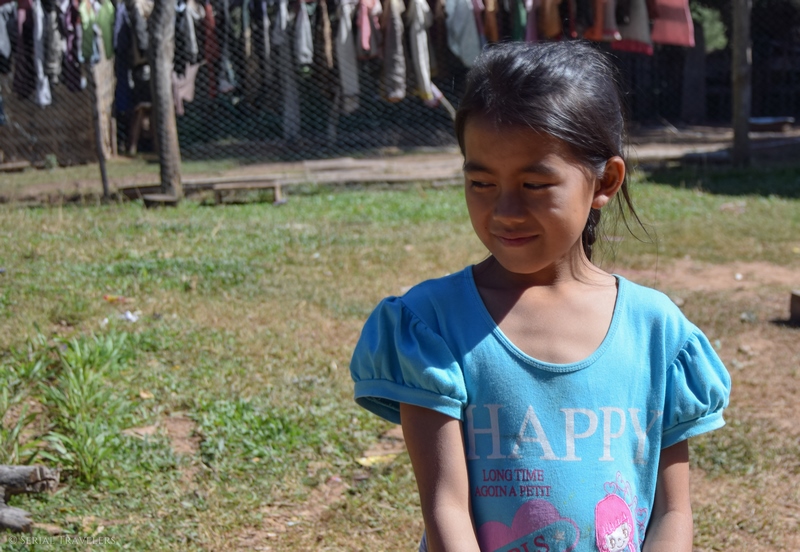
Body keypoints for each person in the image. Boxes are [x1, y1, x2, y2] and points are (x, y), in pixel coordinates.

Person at [349, 41, 731, 552]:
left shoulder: (657, 332)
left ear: (605, 180)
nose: (505, 209)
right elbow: (446, 508)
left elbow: (672, 511)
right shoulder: (432, 326)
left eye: (534, 183)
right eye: (481, 181)